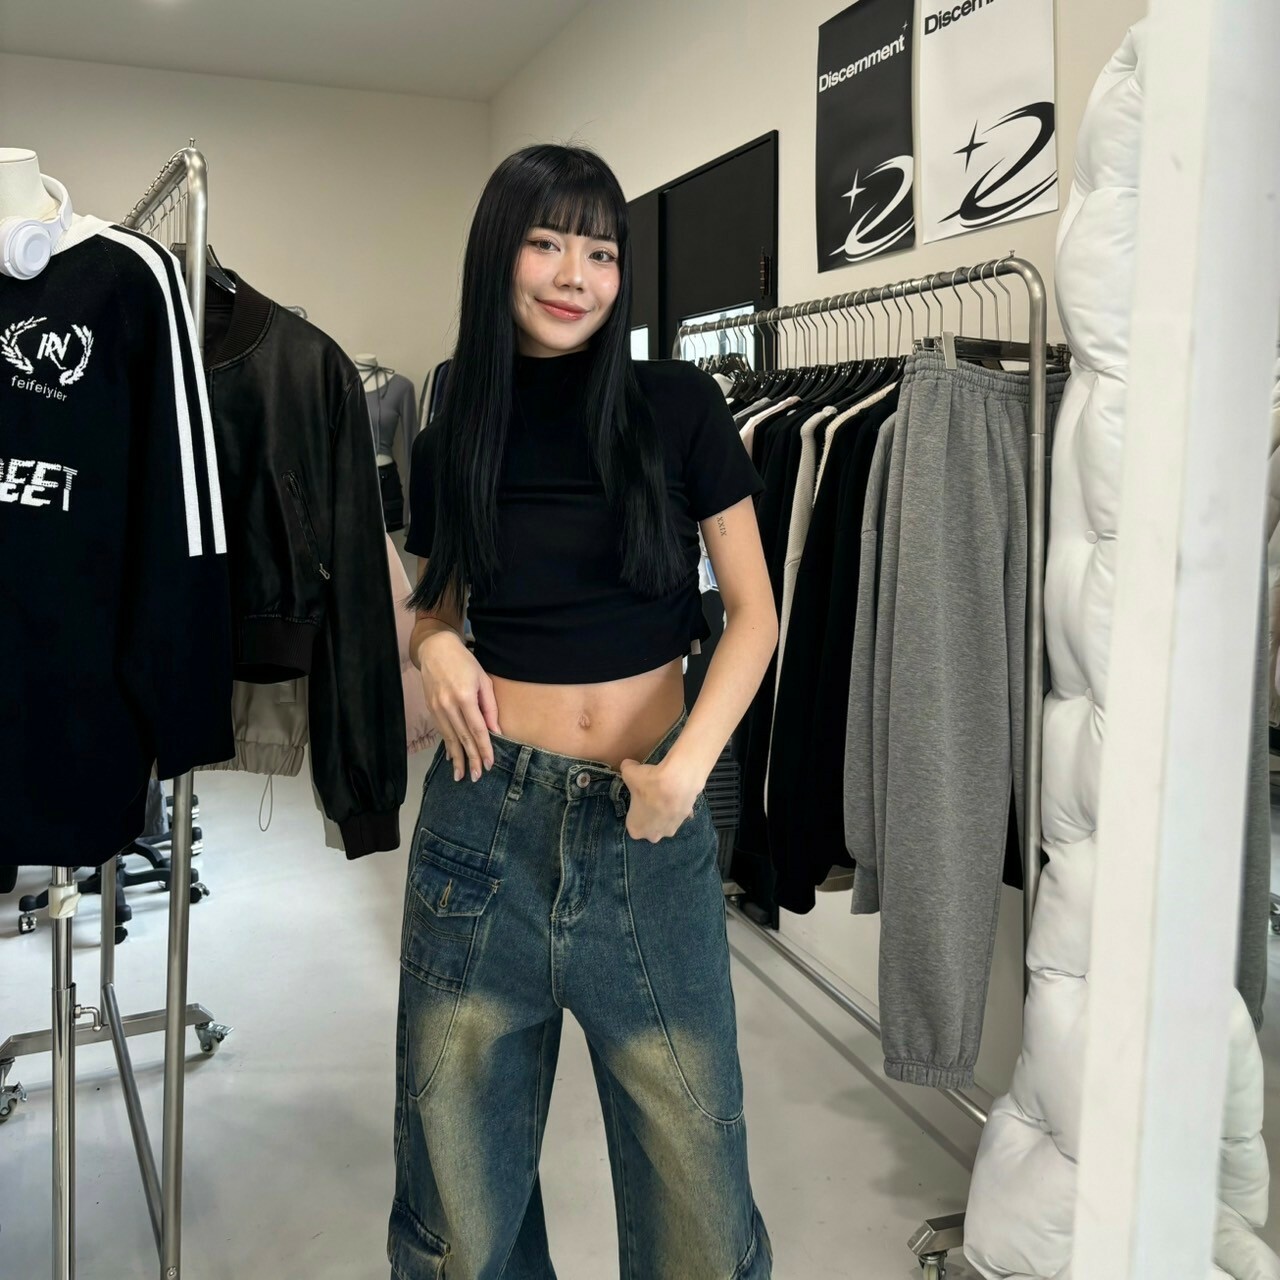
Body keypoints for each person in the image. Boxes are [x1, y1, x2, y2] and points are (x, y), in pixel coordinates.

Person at [390, 143, 777, 1280]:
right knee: (462, 1211)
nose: (576, 276)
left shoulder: (678, 405)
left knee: (700, 1213)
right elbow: (432, 606)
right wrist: (436, 642)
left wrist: (684, 771)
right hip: (482, 823)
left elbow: (754, 614)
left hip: (648, 823)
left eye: (600, 253)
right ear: (497, 254)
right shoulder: (452, 429)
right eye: (547, 243)